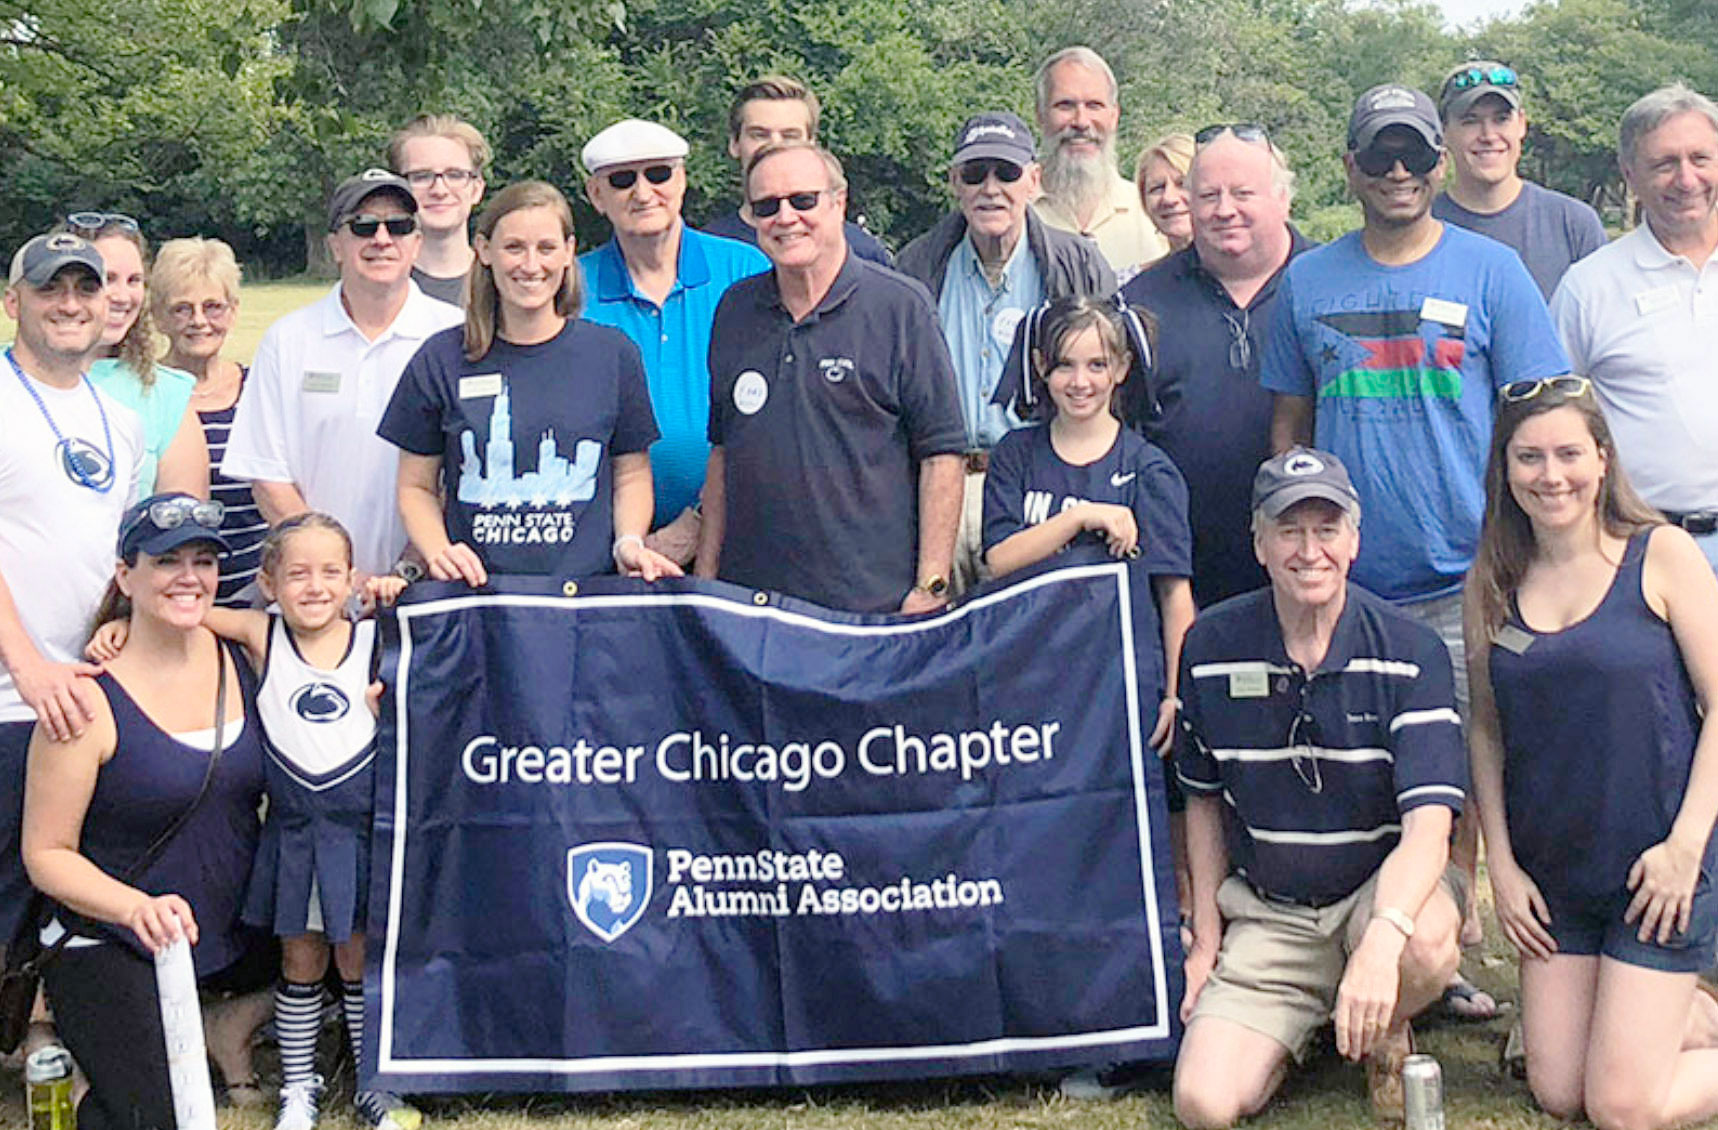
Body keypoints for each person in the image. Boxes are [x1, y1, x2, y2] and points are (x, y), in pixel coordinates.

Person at [1264, 85, 1569, 994]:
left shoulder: (1492, 274)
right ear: (1350, 168)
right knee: (1380, 771)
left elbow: (1540, 417)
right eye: (1380, 155)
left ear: (1439, 164)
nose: (1399, 171)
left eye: (1415, 154)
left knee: (1486, 760)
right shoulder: (1308, 282)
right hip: (1351, 580)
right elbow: (1290, 427)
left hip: (1473, 571)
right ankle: (1401, 939)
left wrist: (1531, 551)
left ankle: (1473, 942)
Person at [89, 513, 414, 1130]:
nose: (314, 587)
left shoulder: (376, 640)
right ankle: (298, 1086)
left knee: (357, 960)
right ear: (267, 582)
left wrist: (398, 589)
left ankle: (374, 1082)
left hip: (361, 832)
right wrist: (119, 627)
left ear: (352, 579)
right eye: (296, 574)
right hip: (295, 833)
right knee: (301, 961)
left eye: (329, 573)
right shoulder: (264, 636)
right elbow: (184, 609)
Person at [1172, 448, 1466, 1127]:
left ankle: (1382, 1019)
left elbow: (1430, 832)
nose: (1310, 551)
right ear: (1258, 543)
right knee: (1203, 1105)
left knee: (1424, 944)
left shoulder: (1409, 649)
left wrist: (1382, 940)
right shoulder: (1210, 647)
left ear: (1355, 540)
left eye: (1327, 528)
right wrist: (1207, 946)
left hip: (1382, 897)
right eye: (1289, 530)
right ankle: (1321, 1026)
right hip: (1273, 913)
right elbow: (1203, 802)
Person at [1464, 377, 1718, 1130]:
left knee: (1619, 1107)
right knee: (1559, 1092)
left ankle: (1656, 1021)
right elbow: (1485, 731)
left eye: (1570, 453)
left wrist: (1685, 846)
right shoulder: (1492, 583)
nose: (1552, 475)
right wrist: (1502, 871)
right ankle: (1678, 1019)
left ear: (1603, 459)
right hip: (1556, 880)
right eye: (1530, 457)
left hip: (1656, 877)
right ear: (1506, 471)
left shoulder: (1661, 555)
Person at [22, 494, 268, 1130]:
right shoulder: (83, 703)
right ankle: (77, 1072)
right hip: (116, 940)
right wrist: (135, 909)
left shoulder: (246, 662)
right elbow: (46, 854)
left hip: (231, 933)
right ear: (125, 575)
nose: (189, 576)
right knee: (161, 1119)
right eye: (167, 561)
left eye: (204, 561)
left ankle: (228, 1024)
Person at [699, 142, 965, 614]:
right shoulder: (734, 310)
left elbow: (941, 454)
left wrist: (931, 585)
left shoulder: (902, 307)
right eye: (767, 206)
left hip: (871, 606)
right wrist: (706, 581)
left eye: (803, 200)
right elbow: (724, 453)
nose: (785, 217)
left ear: (838, 203)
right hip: (752, 608)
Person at [380, 181, 681, 585]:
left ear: (569, 252)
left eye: (546, 248)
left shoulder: (612, 354)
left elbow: (630, 472)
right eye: (514, 247)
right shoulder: (441, 358)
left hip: (584, 598)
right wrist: (440, 552)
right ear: (484, 251)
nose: (531, 264)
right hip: (479, 601)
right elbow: (415, 485)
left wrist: (629, 542)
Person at [897, 111, 1114, 593]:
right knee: (939, 639)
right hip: (938, 484)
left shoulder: (1078, 264)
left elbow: (1107, 385)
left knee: (1031, 642)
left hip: (1035, 483)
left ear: (1034, 180)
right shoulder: (915, 266)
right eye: (975, 174)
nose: (990, 188)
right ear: (955, 182)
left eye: (1006, 172)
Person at [0, 233, 146, 950]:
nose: (69, 304)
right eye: (49, 288)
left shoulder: (121, 422)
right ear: (12, 301)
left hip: (83, 700)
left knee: (52, 914)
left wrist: (120, 624)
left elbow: (109, 555)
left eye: (84, 289)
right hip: (10, 697)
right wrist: (25, 664)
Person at [223, 169, 463, 580]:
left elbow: (465, 471)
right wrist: (334, 575)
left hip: (429, 584)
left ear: (417, 242)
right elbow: (267, 477)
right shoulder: (287, 339)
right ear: (335, 244)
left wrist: (407, 571)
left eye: (399, 226)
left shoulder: (456, 337)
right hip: (314, 599)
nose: (382, 240)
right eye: (364, 227)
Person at [1122, 125, 1313, 608]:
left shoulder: (1329, 287)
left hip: (1315, 574)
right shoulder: (1139, 307)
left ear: (1282, 199)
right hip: (1180, 587)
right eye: (1208, 195)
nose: (1224, 209)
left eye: (1242, 193)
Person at [577, 118, 769, 567]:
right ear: (596, 195)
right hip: (606, 552)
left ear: (682, 180)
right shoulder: (570, 288)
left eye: (658, 174)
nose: (643, 193)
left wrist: (698, 523)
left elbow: (776, 416)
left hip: (735, 539)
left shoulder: (746, 270)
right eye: (622, 180)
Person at [1551, 84, 1718, 572]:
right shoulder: (1589, 287)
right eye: (1664, 164)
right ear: (1630, 176)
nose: (1686, 179)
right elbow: (1555, 419)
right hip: (1645, 549)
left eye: (1700, 159)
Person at [152, 237, 269, 606]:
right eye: (182, 309)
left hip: (257, 598)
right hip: (170, 598)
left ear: (233, 311)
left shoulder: (260, 389)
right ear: (158, 316)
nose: (199, 321)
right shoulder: (145, 395)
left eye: (213, 307)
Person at [1431, 61, 1606, 301]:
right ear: (1444, 131)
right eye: (1470, 121)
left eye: (1501, 119)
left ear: (1522, 124)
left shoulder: (1574, 226)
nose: (1489, 136)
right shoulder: (1420, 226)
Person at [63, 213, 209, 498]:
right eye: (108, 279)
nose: (123, 296)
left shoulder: (164, 394)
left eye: (134, 280)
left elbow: (180, 527)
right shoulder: (11, 375)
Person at [703, 75, 894, 267]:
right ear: (734, 144)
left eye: (790, 136)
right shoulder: (704, 254)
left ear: (812, 144)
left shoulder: (861, 251)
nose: (774, 146)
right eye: (759, 135)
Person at [1032, 46, 1169, 284]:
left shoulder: (1154, 211)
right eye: (1065, 105)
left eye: (1094, 105)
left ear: (1114, 116)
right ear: (1040, 116)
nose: (1081, 122)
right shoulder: (1016, 213)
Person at [388, 113, 489, 306]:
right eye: (421, 176)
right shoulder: (379, 285)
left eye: (455, 175)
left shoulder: (504, 283)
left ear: (476, 189)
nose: (439, 190)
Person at [1136, 132, 1196, 254]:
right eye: (1157, 188)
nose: (1168, 198)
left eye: (1183, 184)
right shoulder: (1136, 273)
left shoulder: (1242, 272)